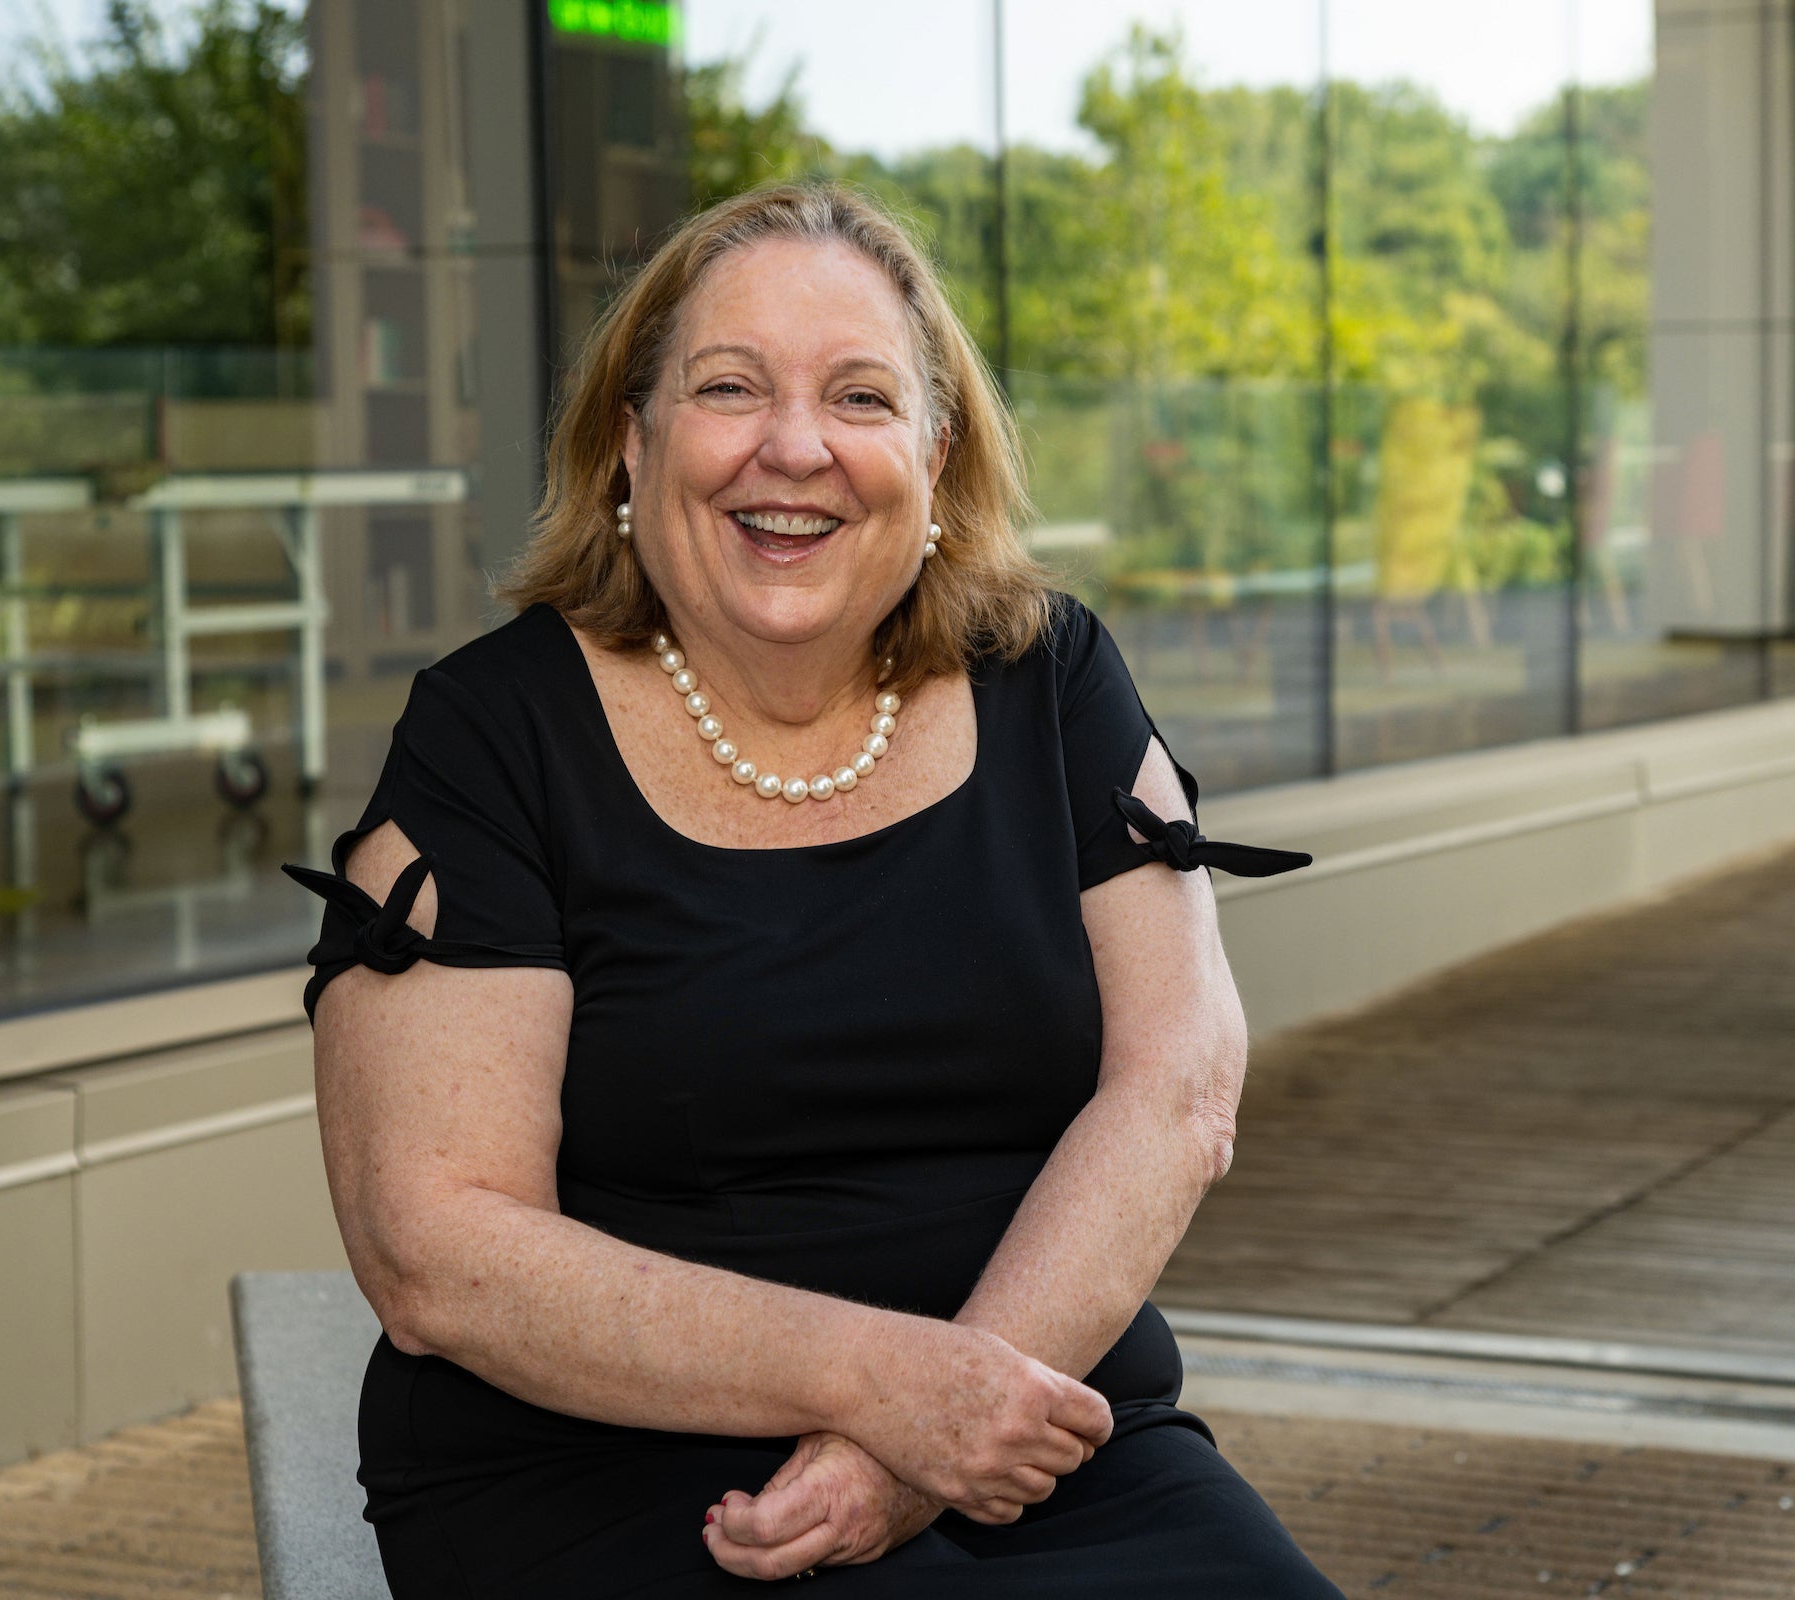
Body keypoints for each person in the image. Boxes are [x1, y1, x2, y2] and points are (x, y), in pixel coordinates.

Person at [287, 181, 1330, 1597]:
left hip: (1042, 1441)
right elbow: (437, 1250)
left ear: (938, 456)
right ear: (630, 443)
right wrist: (886, 1386)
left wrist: (929, 1438)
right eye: (731, 389)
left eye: (860, 398)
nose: (796, 450)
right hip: (605, 1475)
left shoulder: (1054, 679)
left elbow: (1178, 1088)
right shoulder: (493, 740)